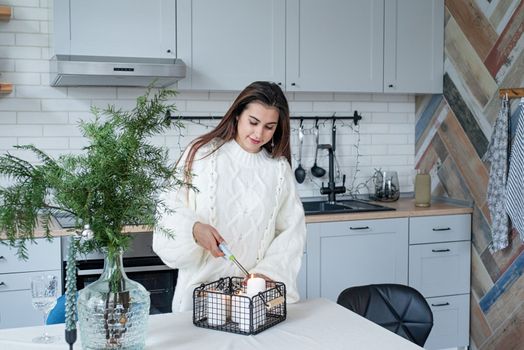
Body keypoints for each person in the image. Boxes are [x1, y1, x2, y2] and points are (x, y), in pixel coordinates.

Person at [153, 81, 306, 312]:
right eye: (253, 122)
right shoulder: (202, 153)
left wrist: (267, 274)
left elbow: (291, 232)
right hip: (199, 299)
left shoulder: (279, 169)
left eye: (269, 126)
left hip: (254, 302)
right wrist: (193, 230)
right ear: (237, 115)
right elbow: (167, 208)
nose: (258, 133)